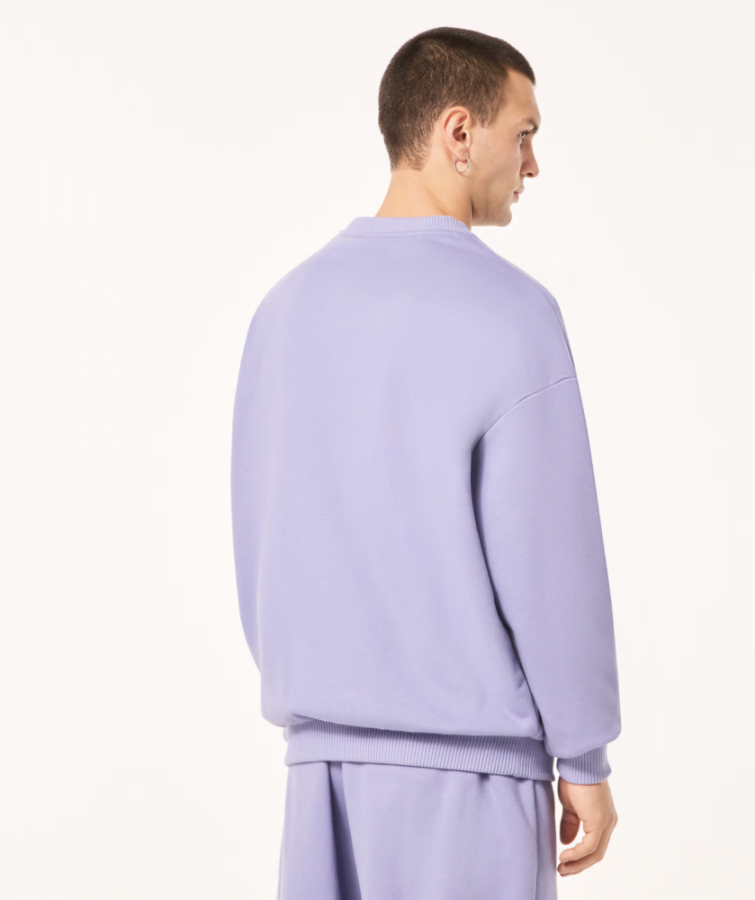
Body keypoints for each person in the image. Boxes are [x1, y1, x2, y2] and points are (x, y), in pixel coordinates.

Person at [230, 26, 622, 900]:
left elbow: (260, 542)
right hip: (469, 780)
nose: (531, 165)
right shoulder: (513, 315)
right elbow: (548, 562)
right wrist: (585, 754)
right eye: (524, 135)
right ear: (458, 131)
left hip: (321, 782)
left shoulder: (283, 311)